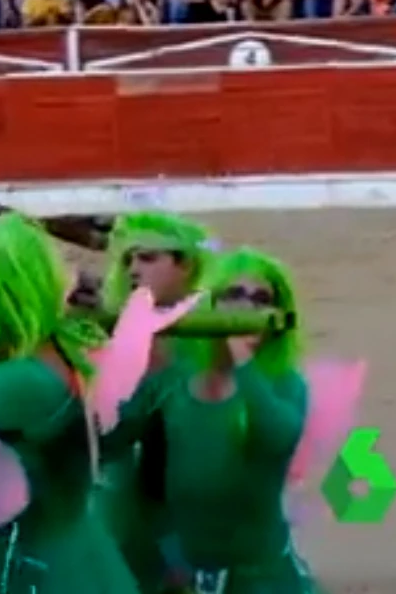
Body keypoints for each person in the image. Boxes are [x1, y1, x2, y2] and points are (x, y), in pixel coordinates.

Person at [0, 213, 137, 594]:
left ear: (2, 293)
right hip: (72, 563)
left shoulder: (21, 382)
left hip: (41, 575)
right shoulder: (59, 348)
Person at [105, 247, 318, 593]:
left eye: (260, 298)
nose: (246, 307)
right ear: (211, 304)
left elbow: (276, 437)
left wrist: (244, 361)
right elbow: (112, 439)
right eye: (233, 295)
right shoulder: (173, 379)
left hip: (260, 579)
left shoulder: (285, 384)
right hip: (182, 577)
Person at [95, 211, 216, 592]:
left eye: (148, 258)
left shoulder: (214, 339)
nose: (133, 269)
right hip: (126, 507)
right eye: (129, 259)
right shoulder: (117, 331)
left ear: (186, 266)